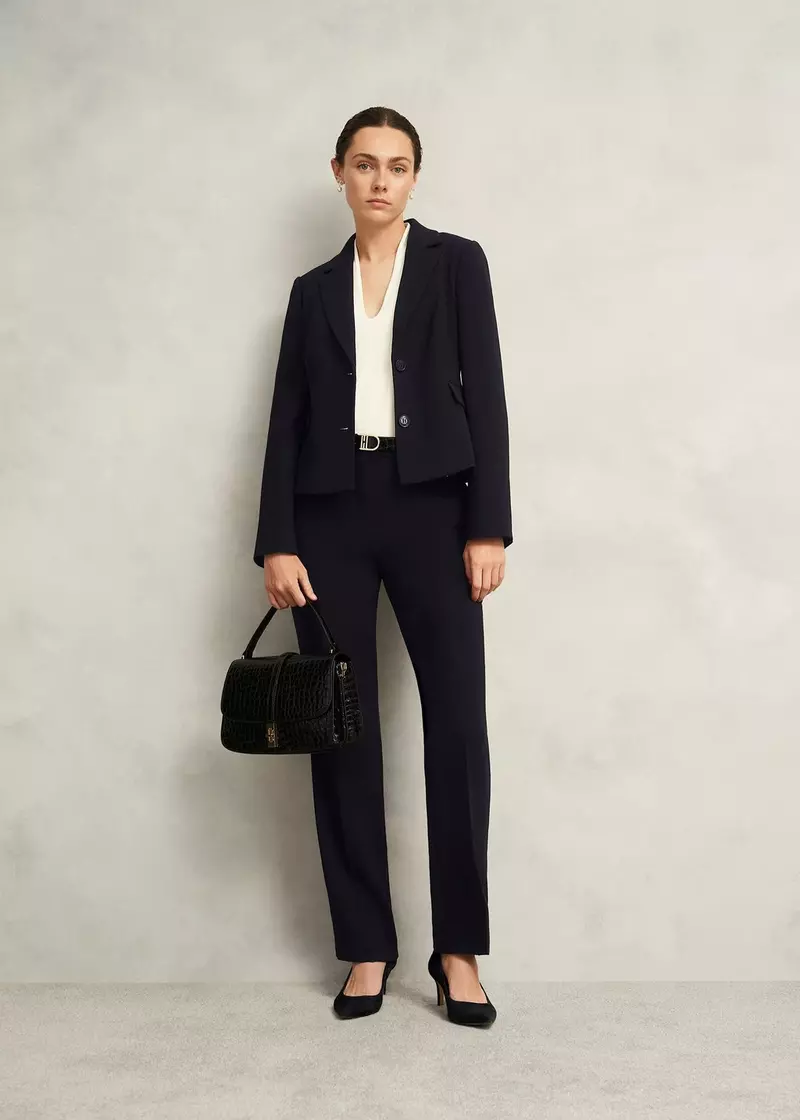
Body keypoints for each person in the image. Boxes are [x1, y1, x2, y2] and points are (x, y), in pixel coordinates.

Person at [252, 106, 512, 1027]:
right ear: (339, 172)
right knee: (341, 728)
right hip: (329, 517)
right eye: (365, 164)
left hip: (435, 509)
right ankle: (367, 945)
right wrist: (277, 539)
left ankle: (458, 951)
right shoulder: (311, 290)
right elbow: (285, 418)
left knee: (459, 727)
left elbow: (486, 392)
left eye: (397, 166)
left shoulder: (457, 264)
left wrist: (489, 525)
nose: (380, 181)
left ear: (414, 178)